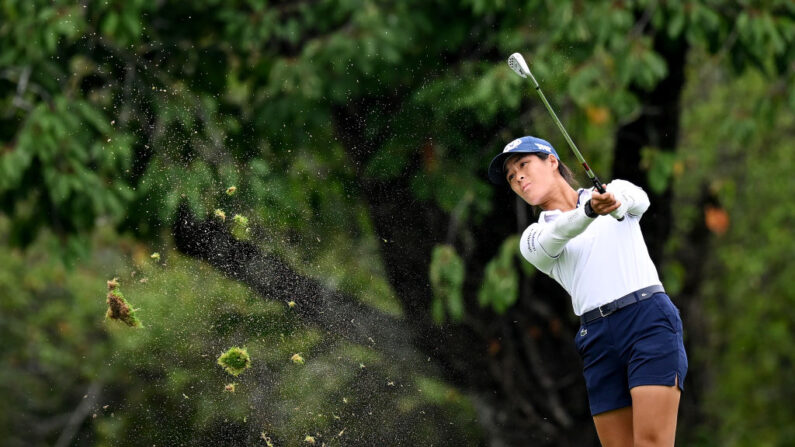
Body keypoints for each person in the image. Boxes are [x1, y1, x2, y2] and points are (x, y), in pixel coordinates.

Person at [488, 136, 688, 447]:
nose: (518, 178)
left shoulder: (614, 190)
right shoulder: (534, 238)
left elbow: (638, 199)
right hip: (597, 336)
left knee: (651, 442)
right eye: (511, 177)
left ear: (552, 161)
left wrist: (614, 202)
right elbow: (560, 232)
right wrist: (590, 210)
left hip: (648, 321)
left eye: (523, 165)